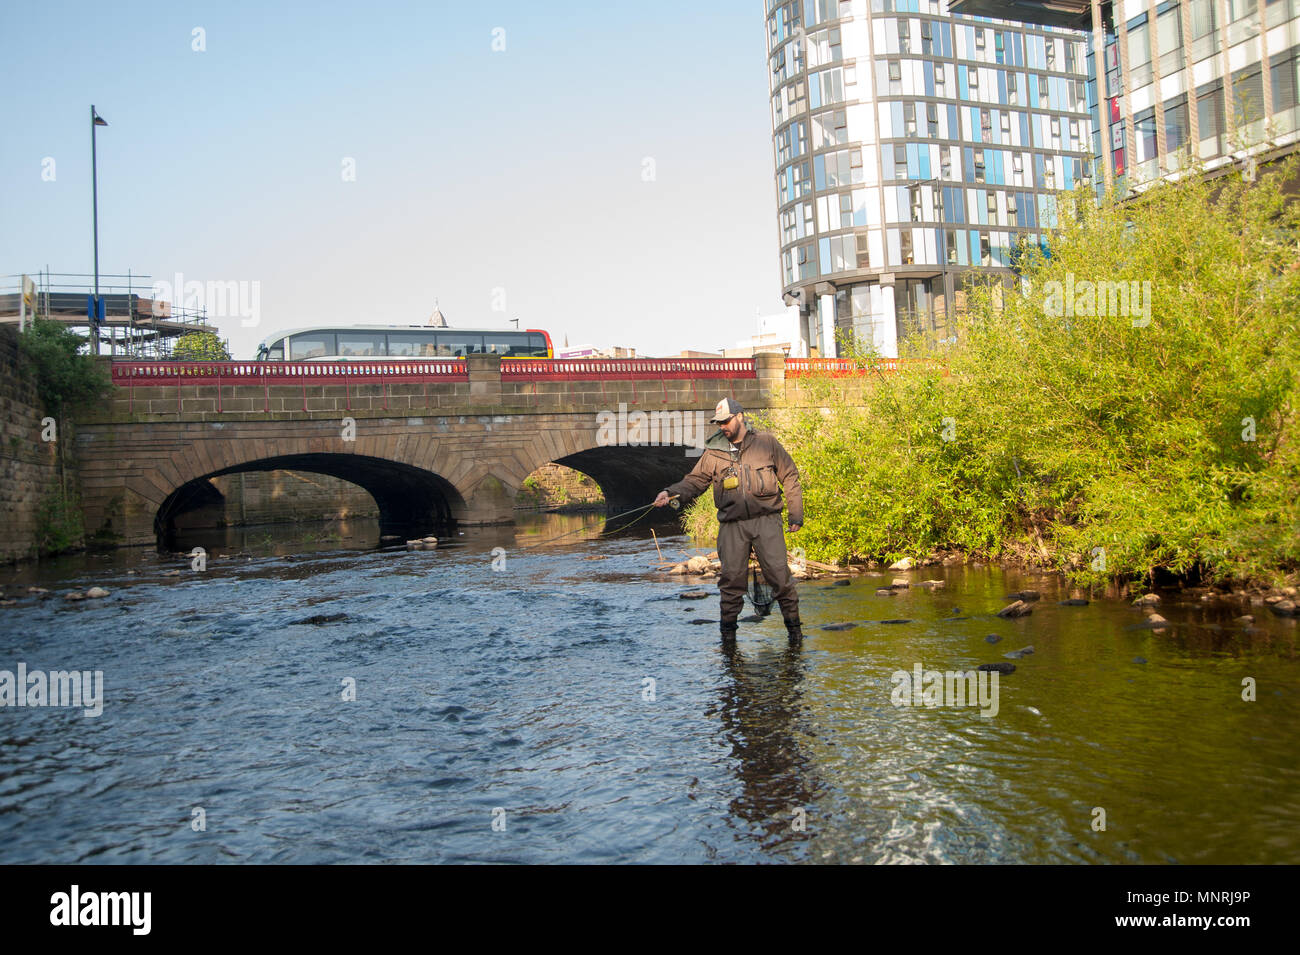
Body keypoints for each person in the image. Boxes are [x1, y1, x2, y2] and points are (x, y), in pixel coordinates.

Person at [654, 397, 804, 643]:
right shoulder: (713, 453)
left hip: (767, 521)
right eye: (719, 422)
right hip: (731, 526)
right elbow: (694, 482)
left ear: (740, 416)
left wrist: (795, 514)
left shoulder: (766, 443)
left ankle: (795, 633)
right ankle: (728, 640)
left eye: (726, 421)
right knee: (731, 583)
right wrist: (670, 493)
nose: (722, 426)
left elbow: (790, 476)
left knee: (781, 579)